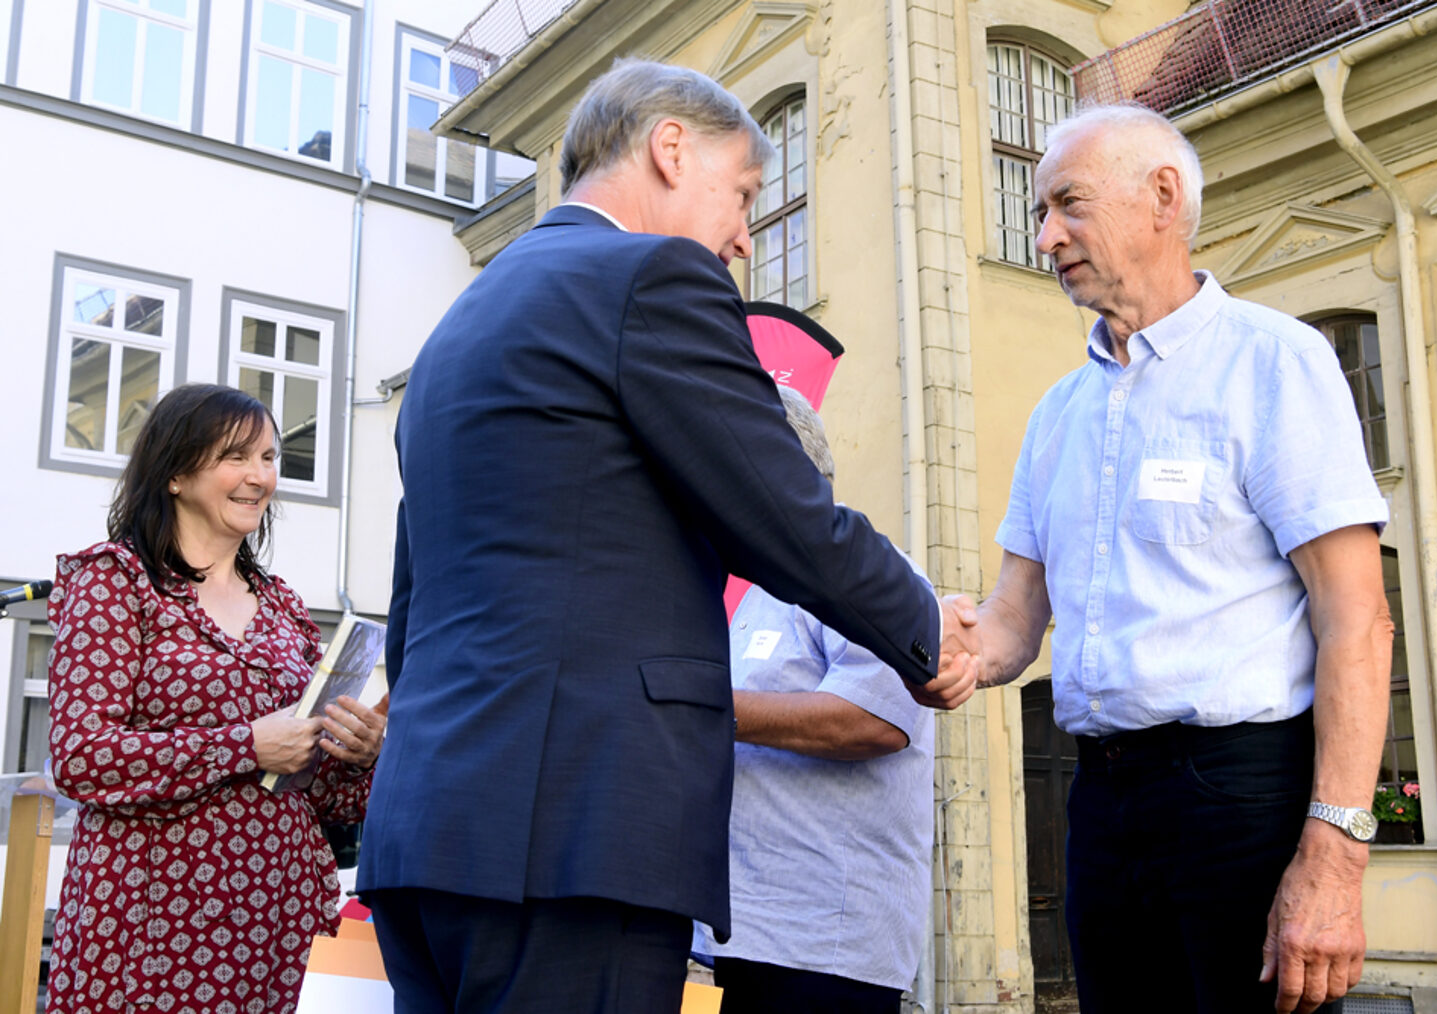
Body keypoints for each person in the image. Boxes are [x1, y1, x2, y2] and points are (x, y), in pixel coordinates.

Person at [358, 58, 979, 1014]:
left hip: (428, 833)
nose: (743, 236)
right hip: (570, 840)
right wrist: (928, 632)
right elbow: (782, 511)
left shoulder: (460, 330)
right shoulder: (648, 276)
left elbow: (414, 599)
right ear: (670, 148)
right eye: (744, 194)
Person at [972, 103, 1393, 1014]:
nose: (1045, 237)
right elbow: (1008, 623)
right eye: (1041, 212)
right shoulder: (1057, 415)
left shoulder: (1275, 365)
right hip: (1100, 803)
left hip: (1242, 798)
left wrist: (1335, 856)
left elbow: (1357, 620)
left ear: (1162, 197)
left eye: (1068, 204)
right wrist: (885, 622)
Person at [45, 383, 388, 1014]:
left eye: (269, 457)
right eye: (236, 456)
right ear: (175, 474)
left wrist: (358, 756)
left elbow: (322, 794)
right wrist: (244, 745)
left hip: (275, 917)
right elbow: (80, 757)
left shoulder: (283, 606)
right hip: (149, 916)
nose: (260, 476)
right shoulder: (117, 582)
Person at [694, 386, 934, 1013]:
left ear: (780, 468)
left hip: (828, 943)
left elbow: (876, 720)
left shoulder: (872, 571)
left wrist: (706, 707)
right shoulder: (757, 593)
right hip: (749, 931)